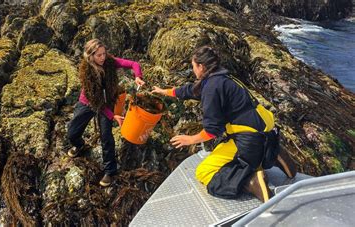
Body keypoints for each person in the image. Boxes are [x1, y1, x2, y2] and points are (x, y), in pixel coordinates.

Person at [152, 46, 296, 202]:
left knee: (204, 172)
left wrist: (189, 139)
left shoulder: (211, 88)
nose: (193, 70)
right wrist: (164, 91)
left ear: (201, 67)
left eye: (193, 66)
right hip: (267, 129)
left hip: (251, 138)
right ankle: (274, 153)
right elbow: (190, 91)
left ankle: (250, 182)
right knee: (223, 149)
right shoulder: (223, 78)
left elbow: (213, 130)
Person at [67, 39, 145, 187]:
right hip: (89, 102)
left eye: (103, 54)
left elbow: (134, 64)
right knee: (72, 132)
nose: (102, 58)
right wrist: (112, 115)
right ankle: (79, 144)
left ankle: (110, 171)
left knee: (106, 137)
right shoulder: (86, 72)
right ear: (90, 56)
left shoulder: (109, 61)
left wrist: (138, 76)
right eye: (98, 55)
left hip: (107, 101)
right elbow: (95, 100)